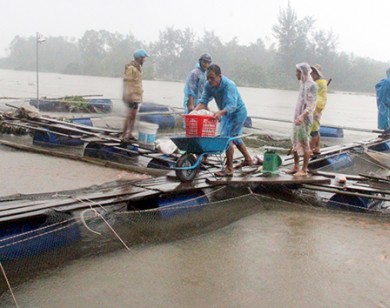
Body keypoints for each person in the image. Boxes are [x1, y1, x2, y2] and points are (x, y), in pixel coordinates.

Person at [194, 64, 253, 177]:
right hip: (226, 113)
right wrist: (194, 113)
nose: (210, 81)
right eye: (208, 78)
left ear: (219, 76)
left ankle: (229, 168)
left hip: (237, 113)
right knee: (235, 137)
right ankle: (248, 159)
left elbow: (232, 105)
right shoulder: (208, 85)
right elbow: (203, 101)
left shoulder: (229, 85)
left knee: (227, 138)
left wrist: (219, 113)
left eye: (212, 78)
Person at [287, 63, 317, 177]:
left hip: (304, 119)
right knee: (294, 141)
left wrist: (302, 116)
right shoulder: (303, 84)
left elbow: (311, 105)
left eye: (297, 72)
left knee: (305, 144)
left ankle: (304, 169)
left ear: (303, 72)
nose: (296, 74)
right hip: (297, 118)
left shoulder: (312, 86)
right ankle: (296, 166)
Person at [122, 48, 149, 142]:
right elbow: (127, 82)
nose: (145, 59)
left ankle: (130, 133)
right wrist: (129, 95)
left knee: (133, 116)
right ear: (140, 58)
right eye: (144, 58)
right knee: (130, 115)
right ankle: (125, 134)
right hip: (131, 95)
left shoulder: (138, 67)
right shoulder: (131, 68)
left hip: (136, 96)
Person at [309, 64, 328, 155]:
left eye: (313, 72)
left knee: (314, 130)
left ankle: (312, 148)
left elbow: (323, 98)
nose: (311, 74)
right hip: (313, 108)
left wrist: (319, 110)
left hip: (316, 109)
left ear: (317, 74)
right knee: (315, 129)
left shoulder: (320, 83)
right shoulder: (317, 82)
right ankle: (316, 147)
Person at [375, 67, 390, 134]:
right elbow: (384, 93)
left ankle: (387, 129)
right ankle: (387, 129)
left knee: (385, 115)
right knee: (385, 115)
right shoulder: (386, 81)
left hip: (385, 103)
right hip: (386, 103)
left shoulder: (385, 81)